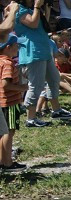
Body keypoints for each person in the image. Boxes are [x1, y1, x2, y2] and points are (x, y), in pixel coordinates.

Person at [11, 0, 71, 126]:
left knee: (54, 79)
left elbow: (42, 24)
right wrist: (36, 7)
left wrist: (44, 7)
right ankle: (31, 118)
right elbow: (33, 24)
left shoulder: (30, 9)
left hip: (43, 50)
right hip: (33, 52)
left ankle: (56, 110)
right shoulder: (19, 10)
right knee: (36, 85)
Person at [0, 33, 29, 172]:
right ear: (8, 47)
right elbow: (6, 85)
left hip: (3, 103)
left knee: (3, 132)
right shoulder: (7, 63)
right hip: (10, 103)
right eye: (16, 46)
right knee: (9, 132)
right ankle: (7, 163)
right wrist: (22, 88)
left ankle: (2, 160)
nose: (18, 49)